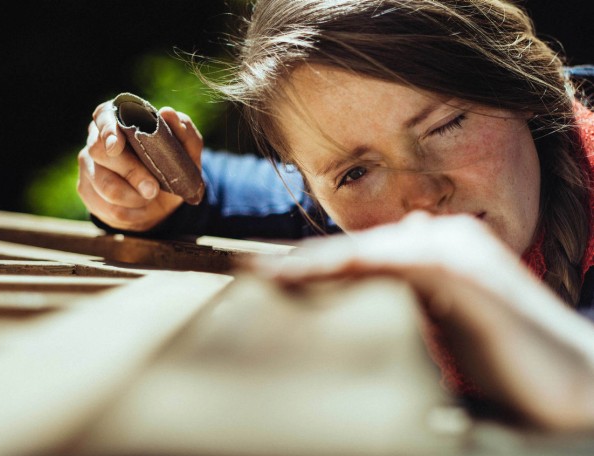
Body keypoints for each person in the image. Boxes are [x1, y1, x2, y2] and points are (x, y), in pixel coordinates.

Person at [78, 0, 594, 430]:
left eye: (446, 125)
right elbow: (216, 190)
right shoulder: (338, 210)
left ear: (521, 86)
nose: (421, 195)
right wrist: (141, 194)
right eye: (356, 172)